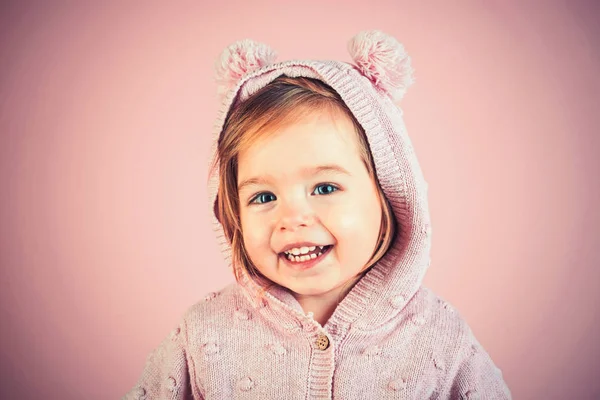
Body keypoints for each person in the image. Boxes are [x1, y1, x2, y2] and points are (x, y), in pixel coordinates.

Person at [123, 30, 512, 399]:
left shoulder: (440, 337)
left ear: (388, 195)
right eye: (263, 196)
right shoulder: (203, 333)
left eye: (325, 188)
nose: (292, 217)